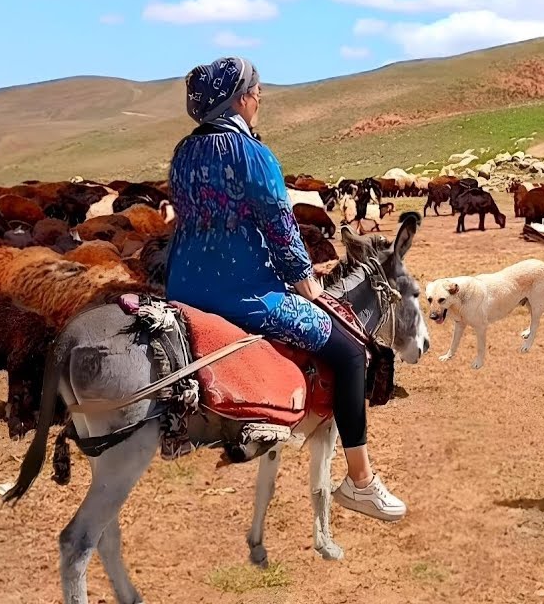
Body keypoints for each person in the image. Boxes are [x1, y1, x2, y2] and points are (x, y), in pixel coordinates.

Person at [166, 56, 406, 522]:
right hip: (244, 293)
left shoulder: (183, 153)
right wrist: (306, 283)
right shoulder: (252, 154)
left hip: (183, 286)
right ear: (240, 100)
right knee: (350, 352)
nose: (259, 101)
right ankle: (360, 482)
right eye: (256, 93)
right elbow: (279, 226)